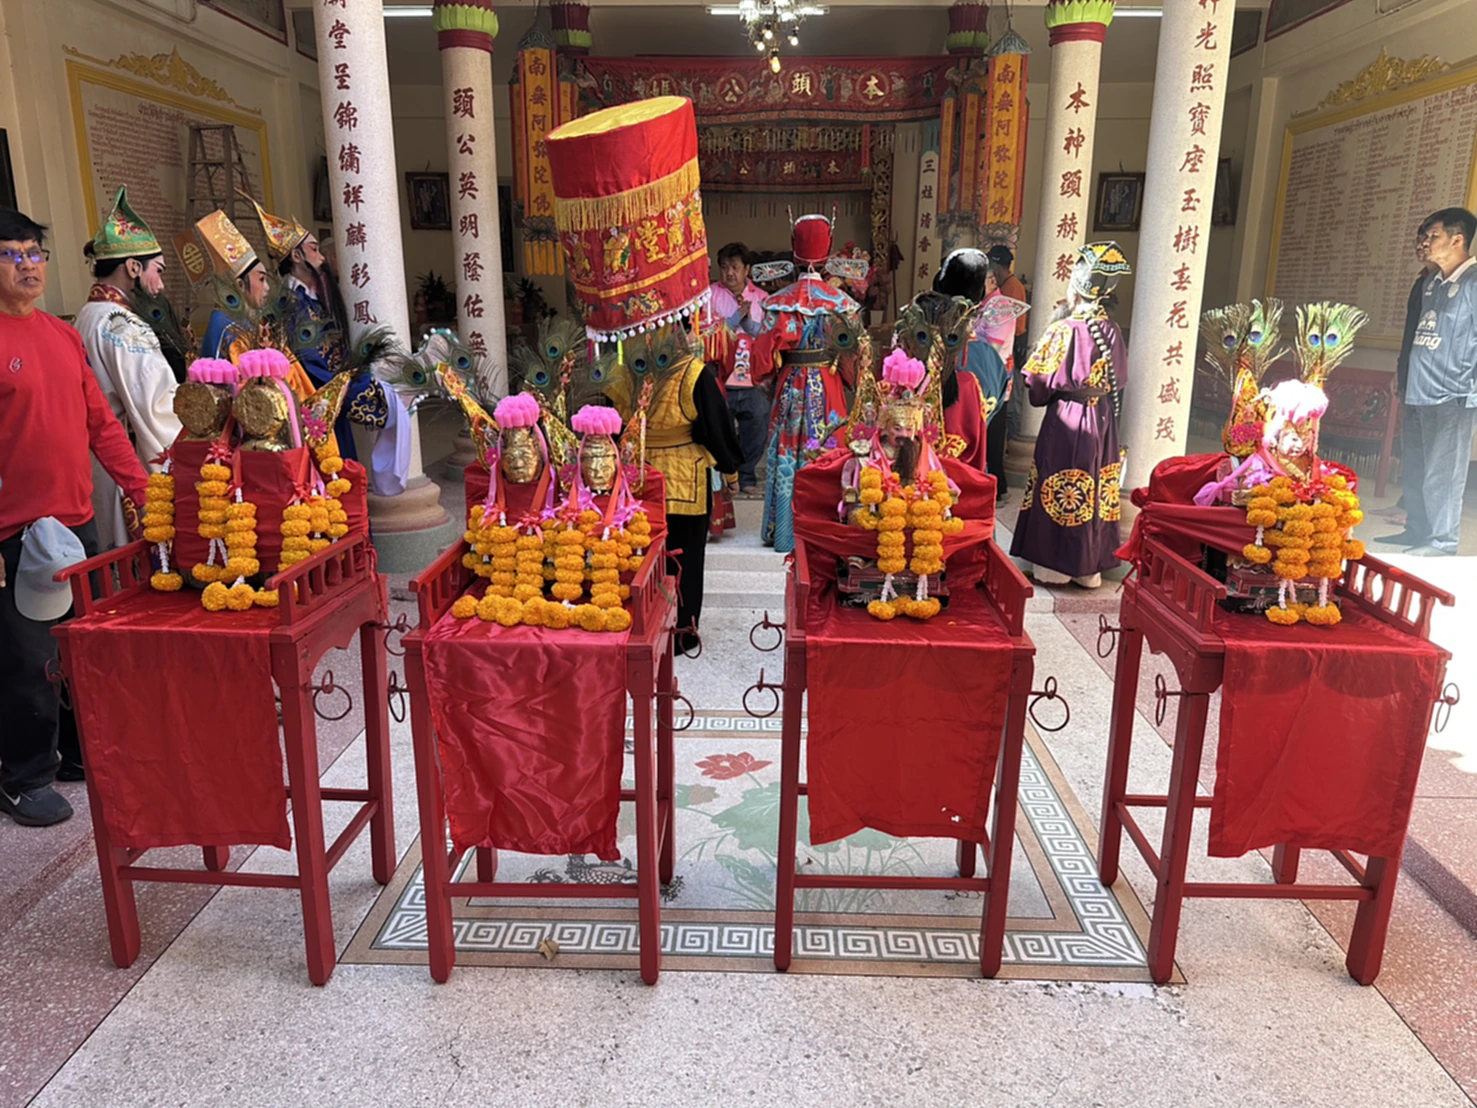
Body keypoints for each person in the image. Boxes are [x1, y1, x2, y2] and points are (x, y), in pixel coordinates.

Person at [545, 95, 742, 652]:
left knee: (640, 553)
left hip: (632, 477)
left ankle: (640, 625)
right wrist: (730, 465)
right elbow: (719, 436)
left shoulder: (615, 372)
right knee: (687, 557)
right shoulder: (693, 373)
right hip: (683, 482)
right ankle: (684, 631)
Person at [0, 207, 150, 825]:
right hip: (16, 532)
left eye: (34, 252)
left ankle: (76, 753)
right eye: (11, 254)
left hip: (76, 522)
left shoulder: (62, 336)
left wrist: (144, 491)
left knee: (79, 647)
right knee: (28, 660)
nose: (27, 265)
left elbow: (102, 425)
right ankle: (23, 776)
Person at [1011, 242, 1131, 588]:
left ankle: (1054, 566)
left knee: (1061, 484)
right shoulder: (1113, 330)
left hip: (1067, 417)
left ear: (1076, 287)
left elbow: (1036, 385)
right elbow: (1120, 379)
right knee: (1094, 486)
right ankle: (1089, 569)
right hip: (1102, 419)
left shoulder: (1062, 329)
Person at [753, 214, 870, 552]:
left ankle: (783, 530)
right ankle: (822, 526)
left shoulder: (778, 303)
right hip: (828, 382)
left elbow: (761, 362)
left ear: (794, 247)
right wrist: (845, 380)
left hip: (790, 384)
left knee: (786, 454)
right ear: (828, 249)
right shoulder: (843, 305)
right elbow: (856, 360)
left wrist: (773, 386)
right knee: (828, 449)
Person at [72, 187, 181, 549]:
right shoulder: (124, 325)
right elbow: (157, 407)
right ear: (133, 267)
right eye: (158, 271)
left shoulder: (85, 316)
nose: (160, 285)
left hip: (95, 465)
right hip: (125, 465)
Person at [1396, 206, 1477, 557]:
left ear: (1457, 240)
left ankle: (1443, 542)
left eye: (1434, 236)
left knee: (1443, 473)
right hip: (1419, 391)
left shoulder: (1473, 282)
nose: (1426, 242)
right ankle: (1417, 530)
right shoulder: (1431, 282)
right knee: (1415, 468)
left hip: (1452, 395)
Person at [194, 209, 314, 398]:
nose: (267, 288)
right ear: (240, 285)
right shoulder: (223, 324)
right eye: (261, 279)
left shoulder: (252, 322)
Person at [702, 242, 767, 494]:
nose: (729, 273)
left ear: (746, 269)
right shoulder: (709, 295)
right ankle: (726, 475)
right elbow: (706, 333)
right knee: (721, 426)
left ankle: (747, 475)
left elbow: (766, 336)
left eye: (735, 267)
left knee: (757, 422)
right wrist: (734, 318)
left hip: (752, 376)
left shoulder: (762, 298)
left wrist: (747, 320)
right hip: (719, 375)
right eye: (724, 267)